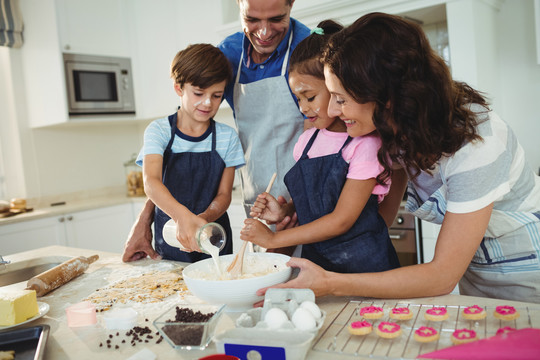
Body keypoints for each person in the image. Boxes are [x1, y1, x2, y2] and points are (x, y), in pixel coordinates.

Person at [258, 12, 540, 303]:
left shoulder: (479, 144)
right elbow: (380, 217)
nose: (332, 112)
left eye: (341, 100)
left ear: (384, 96)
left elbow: (442, 276)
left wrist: (330, 282)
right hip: (475, 267)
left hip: (527, 271)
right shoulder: (395, 131)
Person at [122, 0, 310, 262]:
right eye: (252, 19)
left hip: (305, 197)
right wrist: (145, 220)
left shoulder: (309, 51)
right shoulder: (230, 55)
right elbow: (188, 129)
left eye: (276, 19)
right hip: (258, 201)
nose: (264, 32)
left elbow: (327, 139)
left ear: (292, 4)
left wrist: (297, 206)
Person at [240, 20, 400, 274]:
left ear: (337, 86)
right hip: (320, 267)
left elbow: (341, 220)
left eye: (310, 97)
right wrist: (285, 210)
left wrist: (273, 240)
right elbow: (316, 205)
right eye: (298, 98)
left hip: (367, 268)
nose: (303, 108)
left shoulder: (365, 145)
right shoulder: (305, 143)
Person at [135, 43, 245, 261]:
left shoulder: (227, 137)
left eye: (216, 95)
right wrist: (182, 218)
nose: (207, 102)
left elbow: (224, 195)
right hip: (171, 238)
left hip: (212, 233)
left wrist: (201, 221)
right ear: (179, 88)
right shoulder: (159, 131)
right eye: (198, 93)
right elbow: (151, 182)